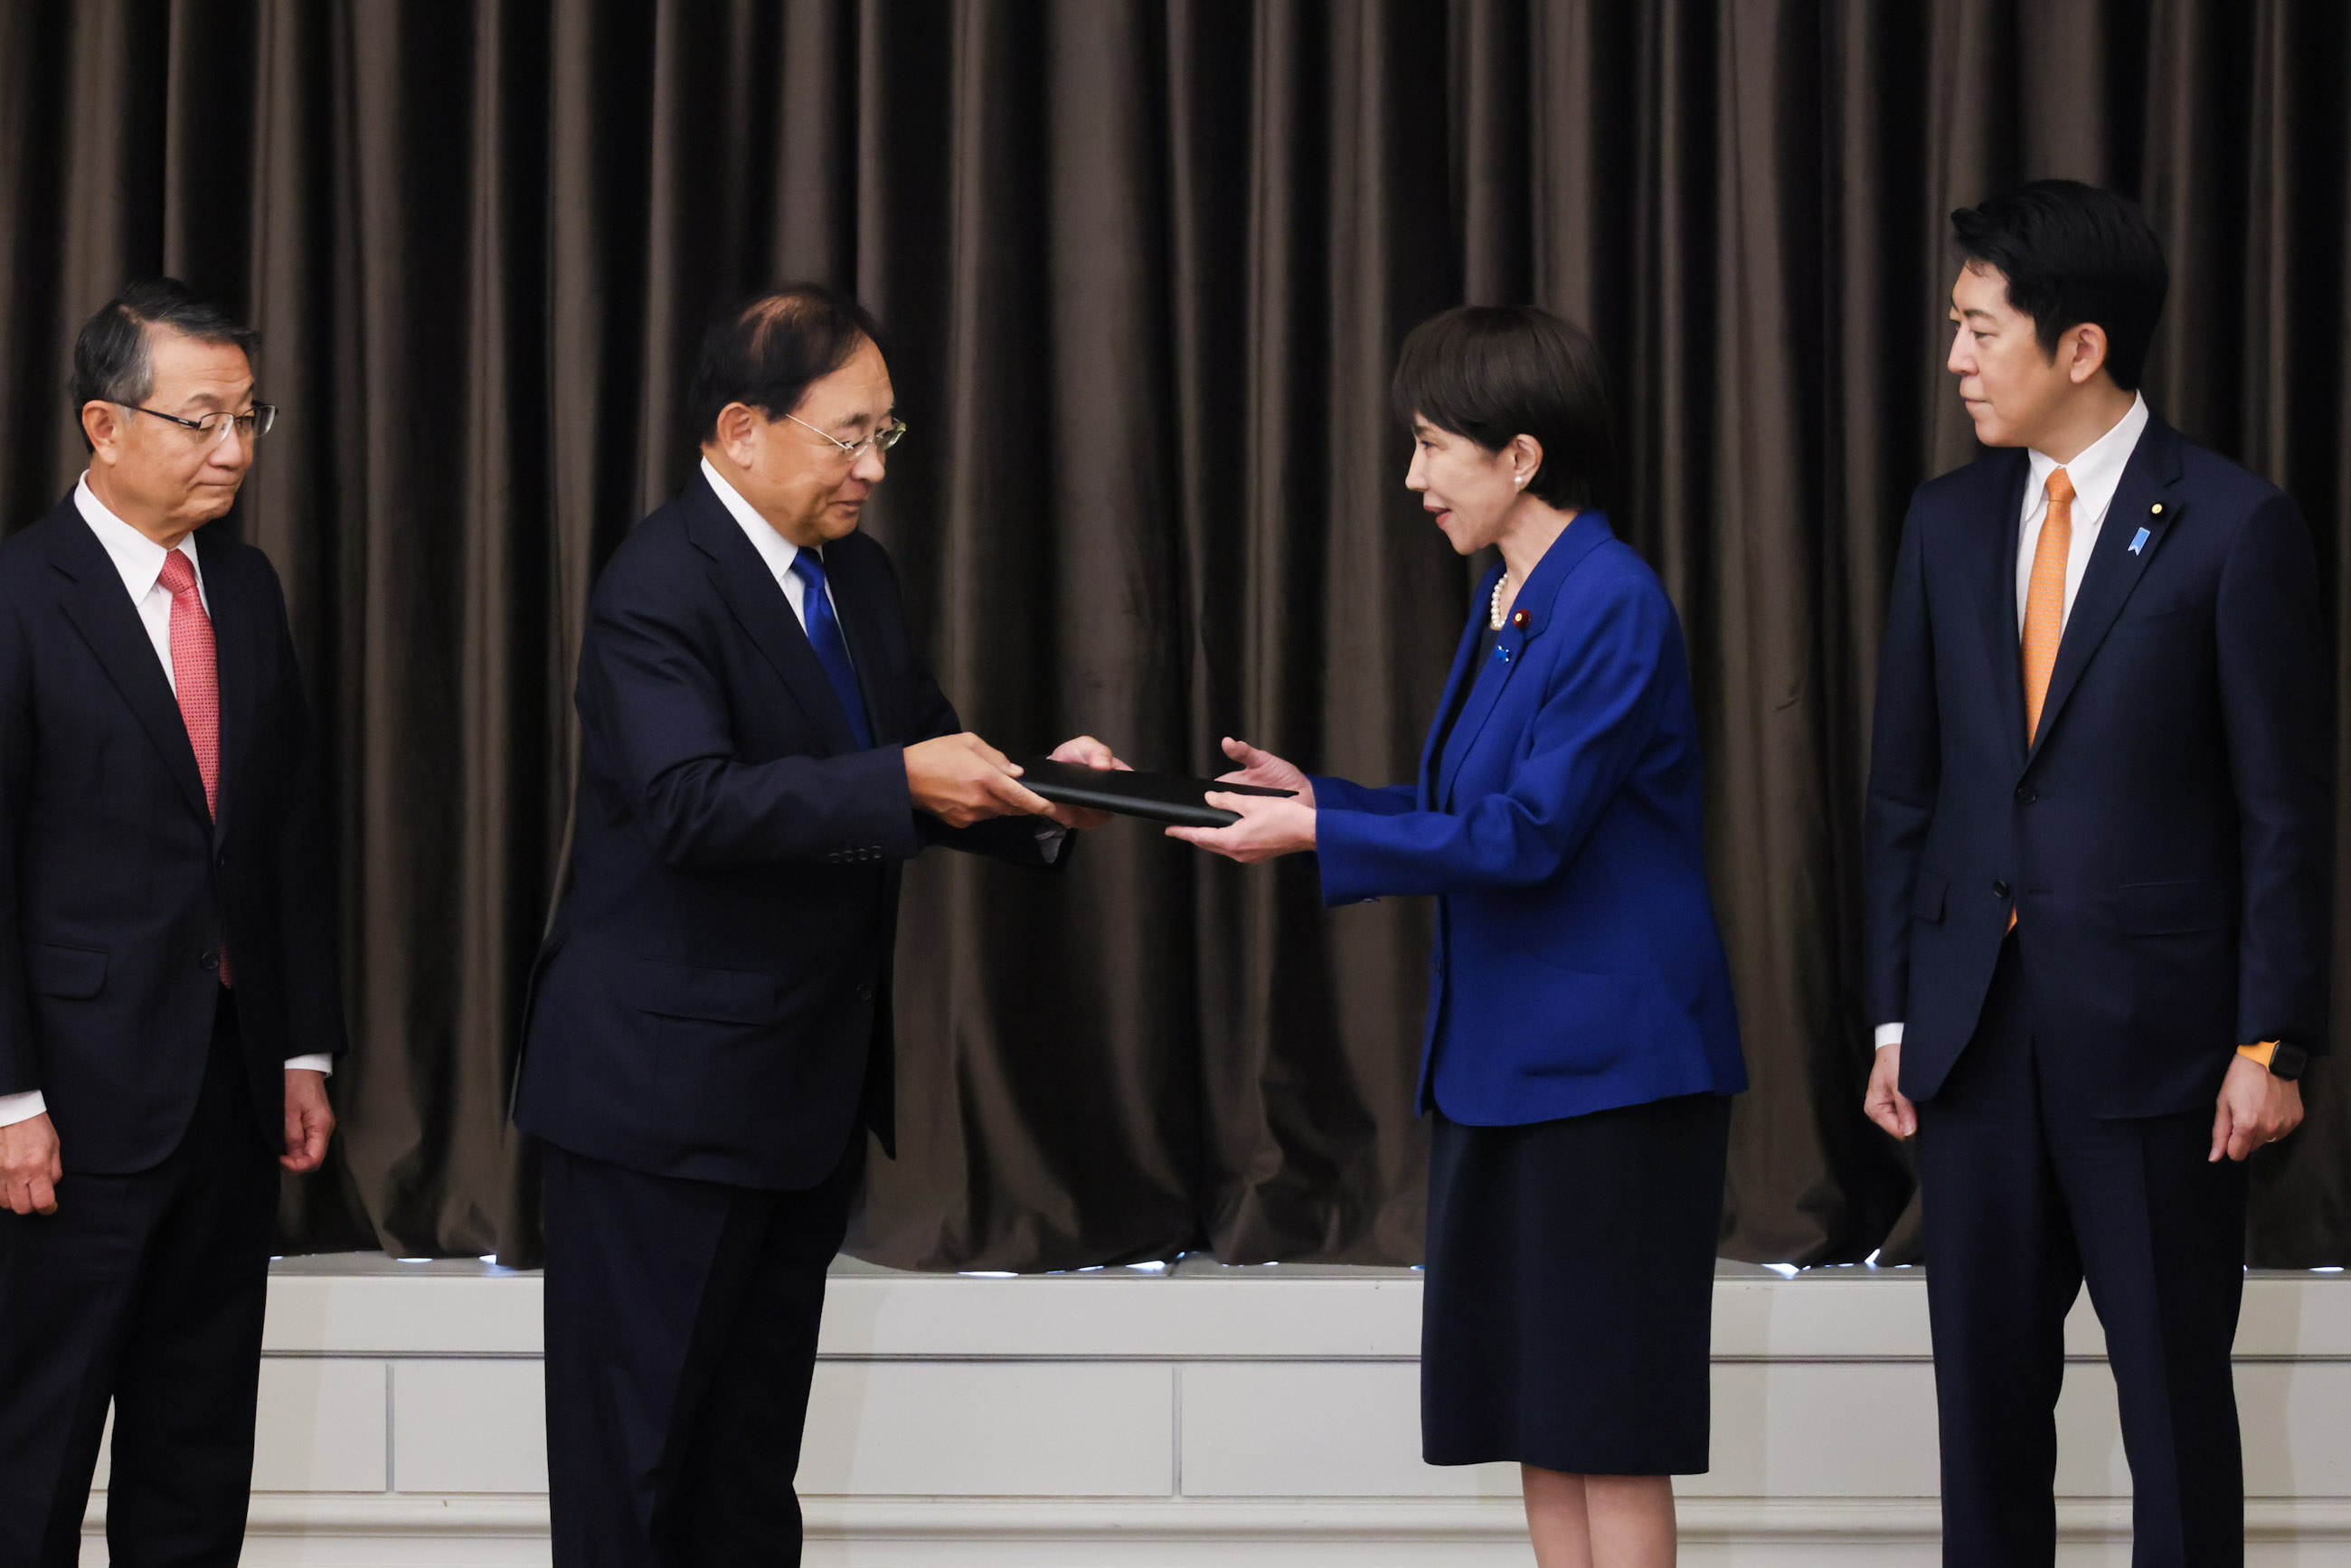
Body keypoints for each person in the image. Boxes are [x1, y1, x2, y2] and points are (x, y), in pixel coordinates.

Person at [513, 283, 1123, 1567]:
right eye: (849, 434)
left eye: (886, 437)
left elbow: (918, 749)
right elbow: (690, 804)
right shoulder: (657, 585)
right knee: (634, 1477)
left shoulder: (858, 577)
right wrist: (906, 779)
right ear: (743, 428)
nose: (872, 468)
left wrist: (1046, 797)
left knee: (746, 1479)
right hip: (658, 1111)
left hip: (795, 1101)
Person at [1175, 304, 1747, 1568]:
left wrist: (1322, 839)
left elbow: (1529, 834)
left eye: (1434, 445)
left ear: (1522, 456)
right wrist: (1323, 802)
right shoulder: (1512, 596)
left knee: (1609, 1419)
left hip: (1613, 1078)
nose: (1414, 477)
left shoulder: (1612, 599)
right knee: (1536, 1411)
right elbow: (1459, 811)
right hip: (1511, 1069)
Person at [1863, 181, 2329, 1566]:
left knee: (2177, 1418)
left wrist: (2272, 1036)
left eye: (1979, 328)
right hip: (1974, 1042)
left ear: (2080, 345)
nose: (1955, 357)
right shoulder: (1946, 525)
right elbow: (1907, 788)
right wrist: (1895, 1014)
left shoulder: (2236, 528)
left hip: (2165, 1057)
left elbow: (2284, 813)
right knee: (1986, 1424)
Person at [0, 279, 345, 1563]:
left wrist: (303, 1043)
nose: (236, 449)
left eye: (250, 416)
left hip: (228, 1091)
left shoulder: (245, 589)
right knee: (30, 1456)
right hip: (65, 1117)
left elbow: (285, 833)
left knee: (196, 1456)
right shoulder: (22, 596)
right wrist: (7, 1098)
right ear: (103, 423)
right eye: (201, 420)